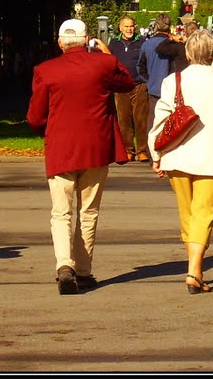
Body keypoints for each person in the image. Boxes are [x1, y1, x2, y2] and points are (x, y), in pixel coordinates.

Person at [26, 19, 135, 294]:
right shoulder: (102, 64)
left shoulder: (45, 70)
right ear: (87, 40)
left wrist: (48, 130)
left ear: (60, 42)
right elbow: (127, 83)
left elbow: (35, 117)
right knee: (89, 211)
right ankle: (84, 271)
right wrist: (109, 55)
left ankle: (65, 264)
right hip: (96, 148)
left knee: (60, 212)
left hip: (61, 148)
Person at [148, 29, 213, 294]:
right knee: (204, 213)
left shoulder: (173, 81)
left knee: (188, 213)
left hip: (178, 156)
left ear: (188, 53)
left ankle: (195, 267)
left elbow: (160, 121)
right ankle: (194, 271)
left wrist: (156, 154)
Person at [109, 16, 150, 162]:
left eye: (131, 26)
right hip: (121, 86)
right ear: (120, 28)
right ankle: (128, 150)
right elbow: (109, 62)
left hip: (139, 84)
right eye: (126, 26)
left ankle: (142, 150)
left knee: (141, 119)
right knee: (124, 119)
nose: (129, 29)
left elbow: (147, 61)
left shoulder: (143, 41)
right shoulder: (114, 43)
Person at [138, 14, 175, 132]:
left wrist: (149, 82)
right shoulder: (174, 45)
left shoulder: (147, 44)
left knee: (153, 121)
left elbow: (140, 67)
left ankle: (151, 148)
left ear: (156, 26)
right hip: (172, 89)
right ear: (170, 27)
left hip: (154, 89)